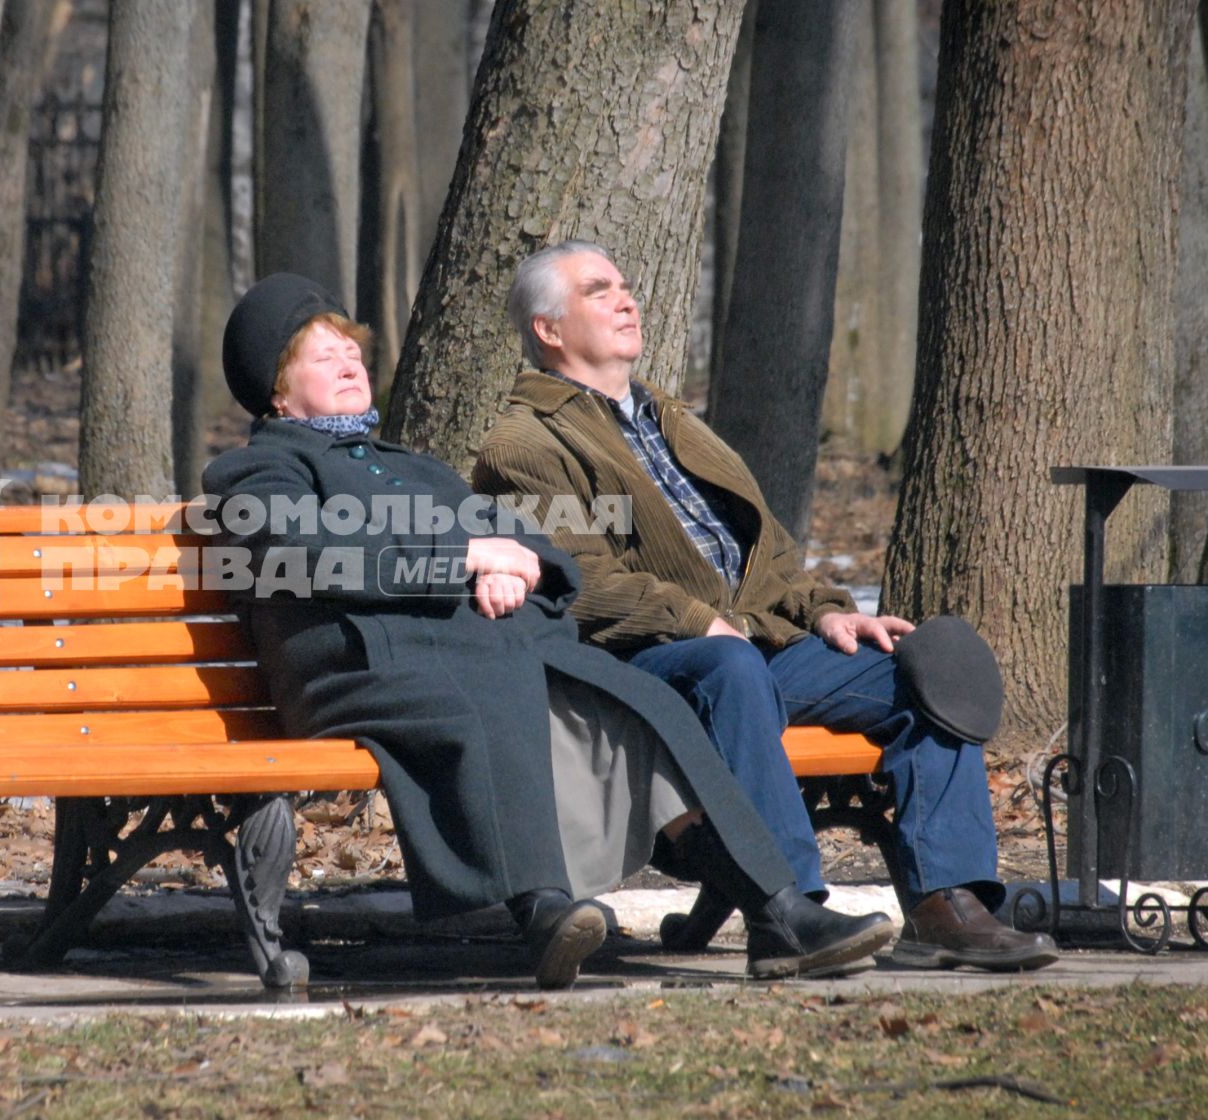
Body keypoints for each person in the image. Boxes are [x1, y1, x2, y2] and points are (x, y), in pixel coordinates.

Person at [200, 272, 894, 990]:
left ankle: (778, 911)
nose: (350, 364)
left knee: (634, 703)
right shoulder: (258, 469)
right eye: (323, 357)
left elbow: (537, 543)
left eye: (352, 350)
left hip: (470, 648)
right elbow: (302, 552)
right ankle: (544, 909)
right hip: (358, 668)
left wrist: (519, 567)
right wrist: (461, 559)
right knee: (491, 689)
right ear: (278, 392)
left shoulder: (412, 467)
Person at [471, 241, 1057, 972]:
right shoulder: (525, 441)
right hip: (647, 667)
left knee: (925, 677)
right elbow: (575, 579)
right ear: (549, 329)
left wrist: (828, 611)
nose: (627, 299)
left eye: (626, 285)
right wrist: (696, 622)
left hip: (751, 652)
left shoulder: (673, 421)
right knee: (729, 665)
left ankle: (948, 905)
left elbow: (767, 554)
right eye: (599, 290)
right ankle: (790, 909)